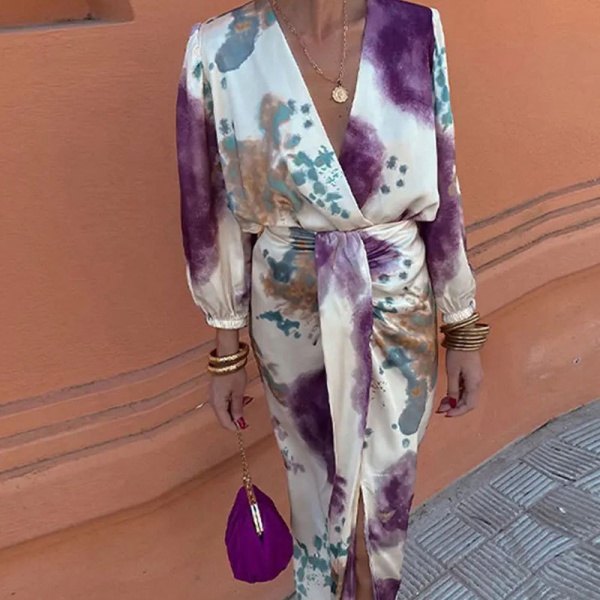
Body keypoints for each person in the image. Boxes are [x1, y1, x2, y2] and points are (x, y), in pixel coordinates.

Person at [176, 0, 487, 598]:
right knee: (318, 488)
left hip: (400, 303)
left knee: (385, 493)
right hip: (292, 314)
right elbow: (210, 211)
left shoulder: (414, 30)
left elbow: (443, 186)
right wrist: (226, 349)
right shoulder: (218, 49)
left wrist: (462, 325)